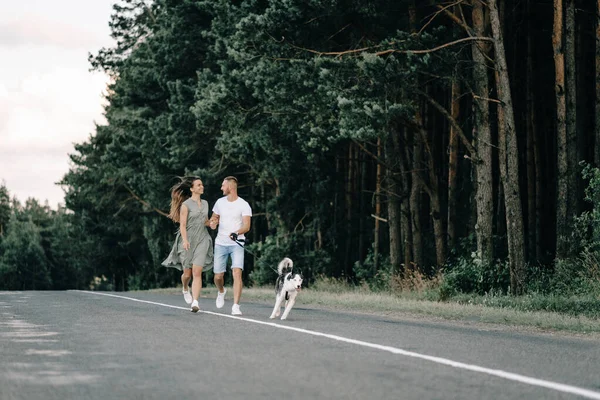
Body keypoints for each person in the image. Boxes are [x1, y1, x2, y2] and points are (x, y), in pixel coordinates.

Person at [162, 176, 213, 312]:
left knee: (197, 272)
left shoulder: (206, 203)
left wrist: (212, 223)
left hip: (202, 239)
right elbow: (183, 225)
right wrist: (185, 240)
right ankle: (185, 287)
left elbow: (206, 221)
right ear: (192, 189)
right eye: (198, 185)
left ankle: (195, 302)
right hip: (188, 240)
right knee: (187, 274)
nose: (202, 187)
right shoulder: (186, 205)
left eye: (202, 185)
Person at [209, 176, 252, 315]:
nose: (221, 188)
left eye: (223, 185)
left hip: (237, 244)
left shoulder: (244, 204)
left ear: (231, 187)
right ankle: (221, 291)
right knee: (218, 277)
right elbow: (214, 219)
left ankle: (236, 306)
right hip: (220, 244)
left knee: (237, 272)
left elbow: (247, 226)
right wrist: (213, 223)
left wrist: (236, 232)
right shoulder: (219, 203)